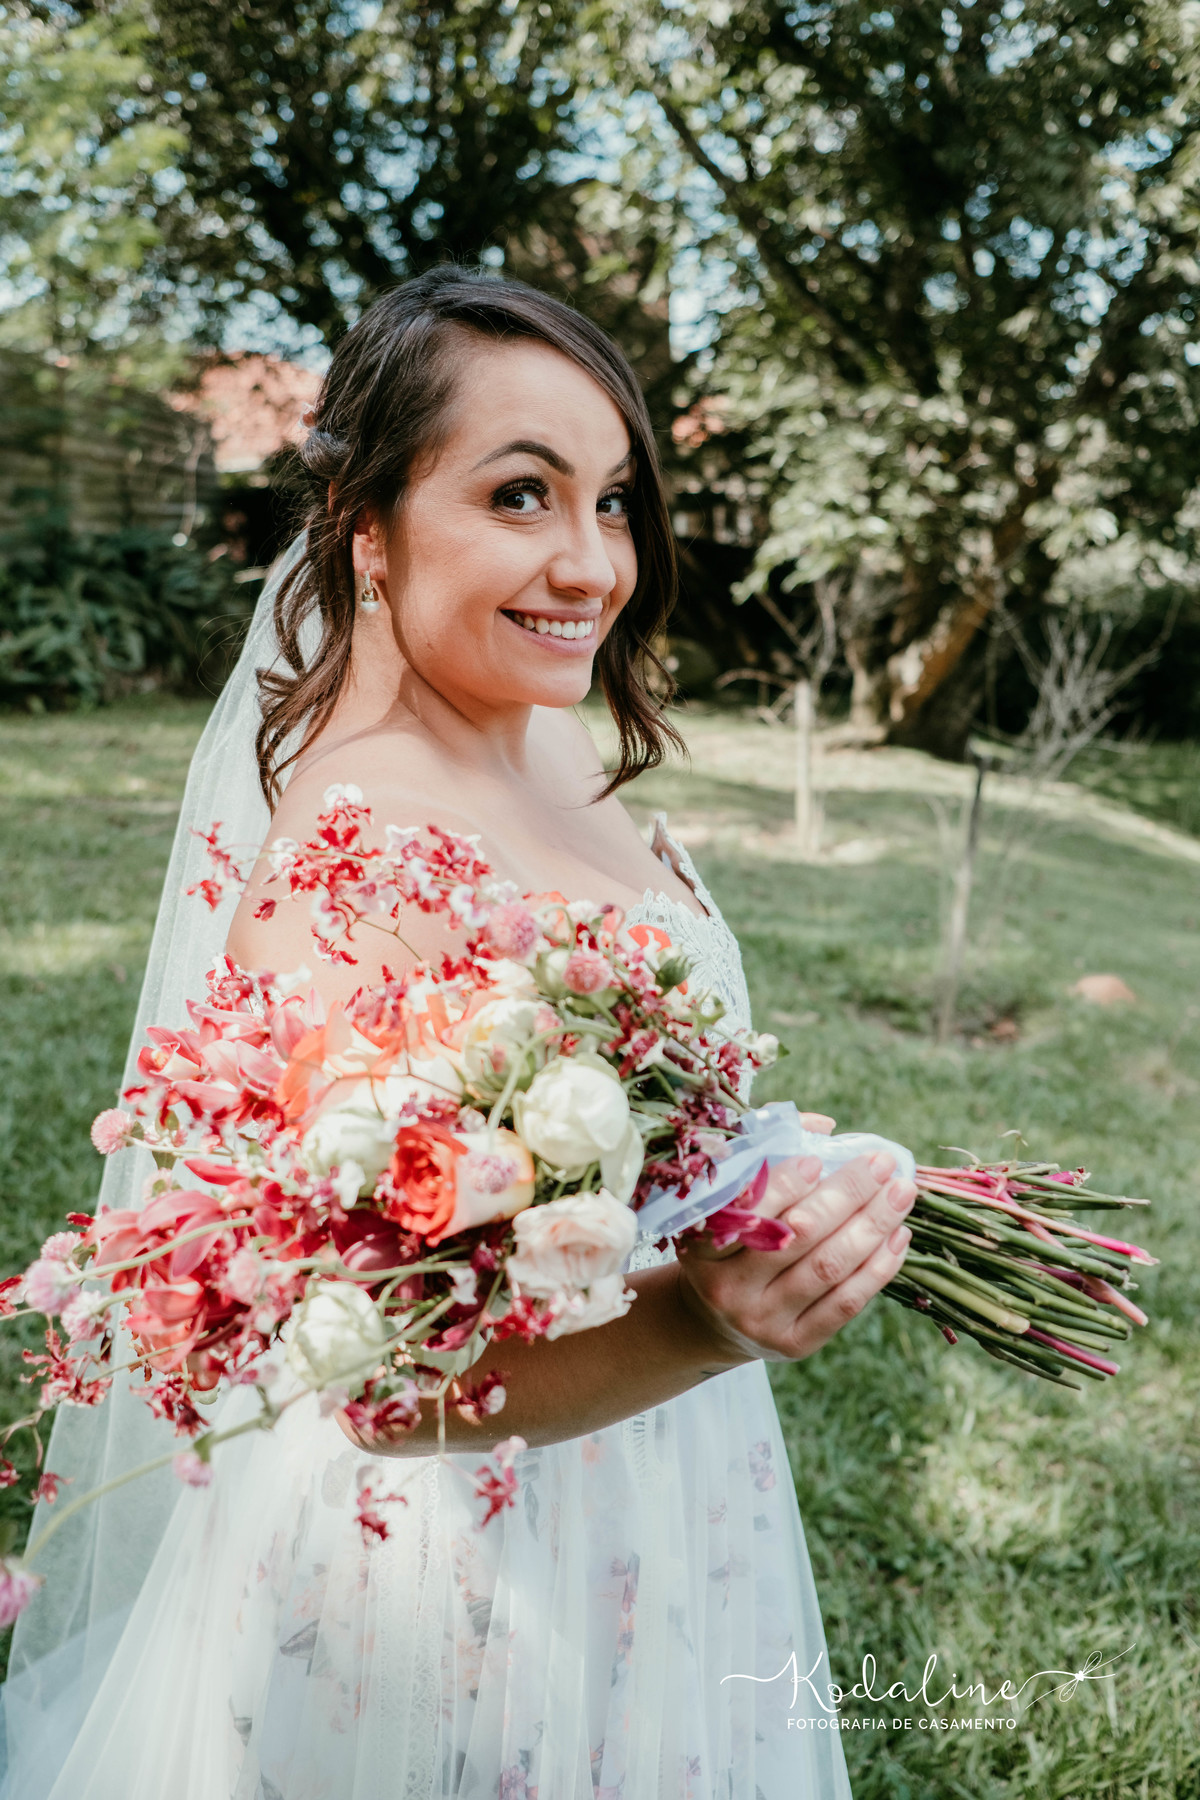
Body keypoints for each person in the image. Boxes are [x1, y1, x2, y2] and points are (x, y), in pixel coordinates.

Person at [2, 269, 914, 1799]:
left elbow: (650, 1115)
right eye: (520, 495)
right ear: (368, 523)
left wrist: (761, 1177)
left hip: (664, 1480)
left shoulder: (558, 738)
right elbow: (371, 1382)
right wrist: (705, 1319)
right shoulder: (353, 851)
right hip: (456, 1576)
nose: (589, 563)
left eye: (613, 501)